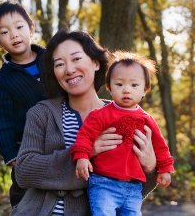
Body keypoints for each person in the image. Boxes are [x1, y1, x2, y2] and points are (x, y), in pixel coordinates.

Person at [13, 31, 157, 216]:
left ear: (96, 63)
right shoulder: (41, 113)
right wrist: (88, 151)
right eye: (59, 64)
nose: (69, 69)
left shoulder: (130, 118)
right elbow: (24, 171)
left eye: (76, 59)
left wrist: (151, 168)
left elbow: (130, 195)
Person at [71, 51, 175, 215]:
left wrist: (165, 169)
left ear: (145, 90)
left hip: (133, 187)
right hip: (104, 183)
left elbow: (160, 147)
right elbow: (84, 136)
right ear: (109, 87)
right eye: (119, 84)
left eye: (134, 85)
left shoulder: (147, 120)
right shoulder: (100, 115)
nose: (127, 90)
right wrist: (82, 157)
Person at [0, 1, 46, 207]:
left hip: (64, 138)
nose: (14, 35)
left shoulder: (51, 60)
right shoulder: (4, 80)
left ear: (31, 27)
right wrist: (11, 154)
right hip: (28, 146)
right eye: (5, 32)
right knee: (26, 195)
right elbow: (2, 119)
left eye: (19, 27)